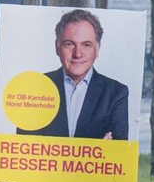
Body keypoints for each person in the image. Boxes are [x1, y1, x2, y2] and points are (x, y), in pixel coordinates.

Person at [17, 9, 130, 140]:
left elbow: (118, 154)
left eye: (86, 45)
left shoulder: (116, 93)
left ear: (97, 49)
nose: (77, 54)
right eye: (69, 44)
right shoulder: (34, 89)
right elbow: (24, 150)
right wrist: (96, 150)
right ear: (57, 47)